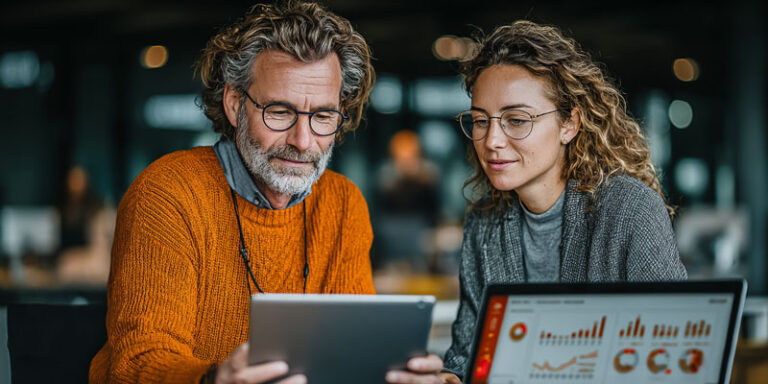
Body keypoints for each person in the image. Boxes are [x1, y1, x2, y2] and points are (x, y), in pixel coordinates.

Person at [89, 2, 443, 383]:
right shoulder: (167, 194)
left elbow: (351, 361)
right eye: (279, 112)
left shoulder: (342, 203)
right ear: (234, 104)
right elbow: (135, 365)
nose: (302, 141)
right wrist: (213, 380)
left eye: (323, 116)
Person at [438, 20, 688, 382]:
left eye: (516, 120)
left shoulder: (628, 209)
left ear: (569, 124)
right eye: (480, 121)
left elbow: (675, 353)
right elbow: (467, 357)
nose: (491, 140)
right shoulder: (485, 222)